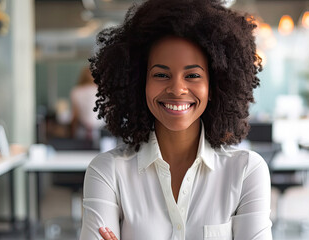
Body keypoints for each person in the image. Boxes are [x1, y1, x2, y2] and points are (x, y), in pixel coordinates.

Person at [81, 0, 272, 239]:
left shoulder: (245, 172)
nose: (177, 88)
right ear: (140, 83)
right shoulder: (107, 172)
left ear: (214, 86)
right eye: (161, 75)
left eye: (192, 75)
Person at [70, 66, 104, 141]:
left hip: (83, 131)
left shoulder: (76, 91)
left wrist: (72, 133)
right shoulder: (102, 91)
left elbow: (75, 115)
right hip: (101, 131)